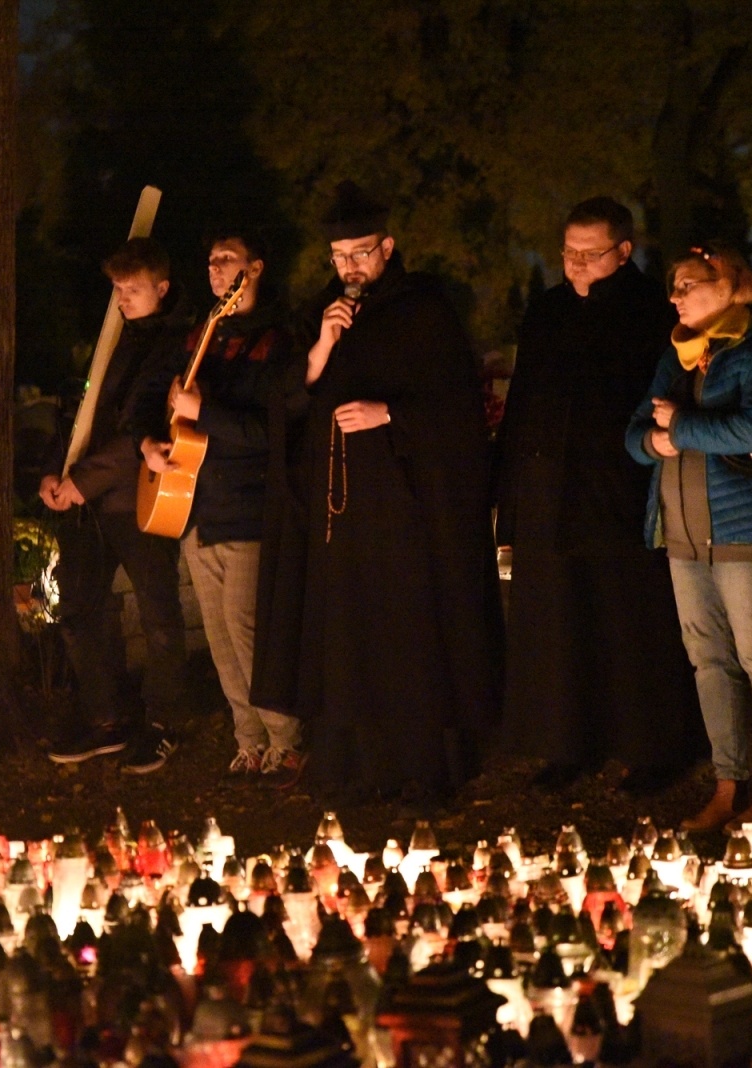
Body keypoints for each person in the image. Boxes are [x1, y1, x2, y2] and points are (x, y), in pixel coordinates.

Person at [252, 182, 502, 810]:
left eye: (361, 253)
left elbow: (458, 410)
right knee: (347, 638)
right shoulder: (325, 312)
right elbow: (290, 403)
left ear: (388, 247)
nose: (350, 267)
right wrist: (321, 351)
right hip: (341, 519)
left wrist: (391, 413)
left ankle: (422, 766)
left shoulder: (426, 310)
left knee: (409, 638)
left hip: (410, 512)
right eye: (339, 257)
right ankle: (354, 767)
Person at [494, 198, 699, 792]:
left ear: (624, 251)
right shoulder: (548, 310)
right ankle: (565, 743)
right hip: (549, 493)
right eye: (569, 253)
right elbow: (524, 402)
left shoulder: (650, 314)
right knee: (557, 624)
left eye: (591, 254)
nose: (577, 265)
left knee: (630, 620)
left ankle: (653, 748)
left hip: (618, 491)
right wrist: (512, 493)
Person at [626, 242, 752, 832]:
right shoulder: (678, 356)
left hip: (750, 529)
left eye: (689, 284)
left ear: (731, 285)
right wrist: (655, 442)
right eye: (673, 288)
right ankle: (727, 784)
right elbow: (636, 432)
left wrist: (678, 427)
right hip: (683, 533)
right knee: (709, 661)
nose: (676, 296)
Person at [133, 229, 302, 785]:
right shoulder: (198, 335)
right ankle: (247, 740)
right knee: (218, 635)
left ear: (254, 268)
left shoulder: (277, 342)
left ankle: (286, 740)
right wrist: (149, 444)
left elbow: (269, 431)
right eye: (209, 260)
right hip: (194, 507)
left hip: (249, 509)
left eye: (226, 259)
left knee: (247, 627)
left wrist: (204, 412)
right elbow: (154, 402)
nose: (214, 268)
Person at [41, 238, 190, 773]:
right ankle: (106, 716)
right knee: (80, 607)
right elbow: (84, 407)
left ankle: (163, 722)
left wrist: (83, 479)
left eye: (133, 288)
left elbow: (143, 428)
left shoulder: (177, 344)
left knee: (159, 614)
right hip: (87, 500)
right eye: (117, 289)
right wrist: (53, 472)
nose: (122, 298)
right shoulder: (114, 339)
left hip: (137, 499)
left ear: (162, 287)